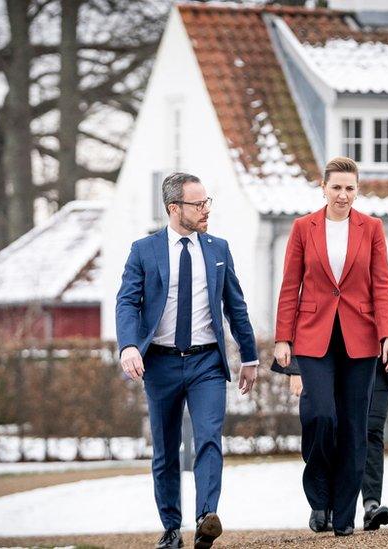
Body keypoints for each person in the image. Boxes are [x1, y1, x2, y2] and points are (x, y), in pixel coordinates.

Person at [116, 172, 259, 549]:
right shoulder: (143, 251)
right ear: (174, 208)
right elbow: (127, 302)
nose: (206, 209)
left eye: (207, 201)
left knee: (208, 438)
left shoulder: (218, 249)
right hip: (159, 364)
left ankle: (205, 518)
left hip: (206, 364)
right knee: (165, 449)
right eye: (198, 204)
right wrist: (129, 345)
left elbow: (235, 306)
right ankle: (170, 528)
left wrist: (250, 356)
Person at [274, 156, 388, 537]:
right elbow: (290, 284)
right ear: (323, 188)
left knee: (353, 427)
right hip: (313, 337)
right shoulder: (303, 227)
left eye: (350, 188)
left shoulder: (372, 228)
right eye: (336, 187)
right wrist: (283, 337)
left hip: (361, 338)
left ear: (357, 190)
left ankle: (343, 516)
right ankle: (320, 499)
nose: (343, 195)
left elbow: (382, 284)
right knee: (321, 416)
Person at [274, 290, 388, 531]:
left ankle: (371, 504)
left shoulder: (377, 263)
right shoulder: (324, 259)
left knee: (370, 432)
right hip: (333, 361)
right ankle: (326, 502)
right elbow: (302, 306)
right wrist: (296, 369)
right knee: (333, 429)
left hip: (378, 365)